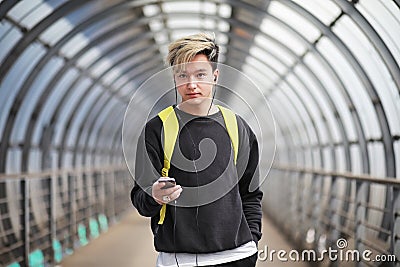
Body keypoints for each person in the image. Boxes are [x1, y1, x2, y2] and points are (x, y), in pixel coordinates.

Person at [131, 33, 262, 267]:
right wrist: (155, 195)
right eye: (183, 75)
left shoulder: (238, 127)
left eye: (200, 74)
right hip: (180, 260)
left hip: (238, 257)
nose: (191, 84)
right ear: (174, 77)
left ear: (215, 76)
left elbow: (250, 193)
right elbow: (140, 198)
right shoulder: (157, 129)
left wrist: (252, 241)